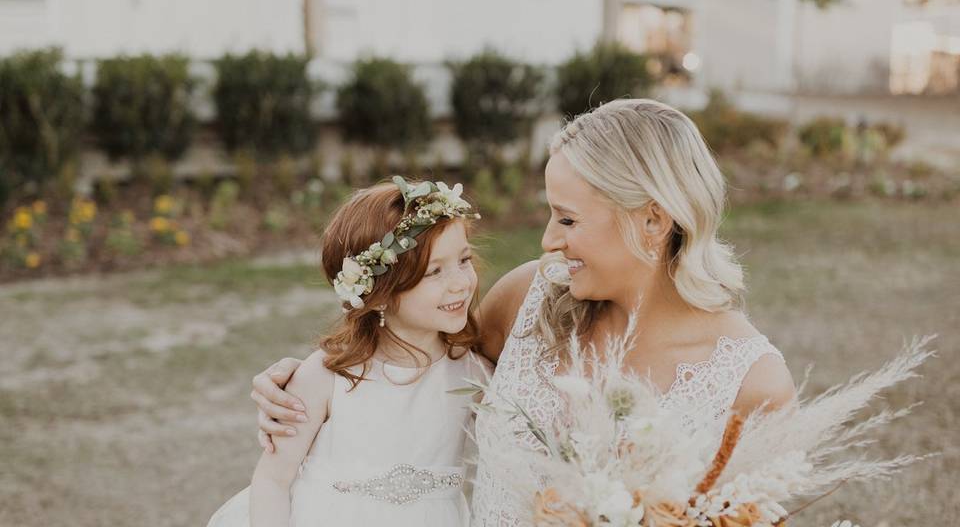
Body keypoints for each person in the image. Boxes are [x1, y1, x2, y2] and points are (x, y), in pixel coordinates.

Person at [251, 99, 796, 526]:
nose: (547, 240)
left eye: (567, 219)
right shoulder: (525, 299)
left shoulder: (752, 382)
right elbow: (409, 364)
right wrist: (297, 385)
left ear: (653, 220)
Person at [208, 177, 486, 527]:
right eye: (435, 272)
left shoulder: (473, 374)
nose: (461, 282)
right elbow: (273, 480)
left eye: (464, 260)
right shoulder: (324, 377)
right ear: (380, 293)